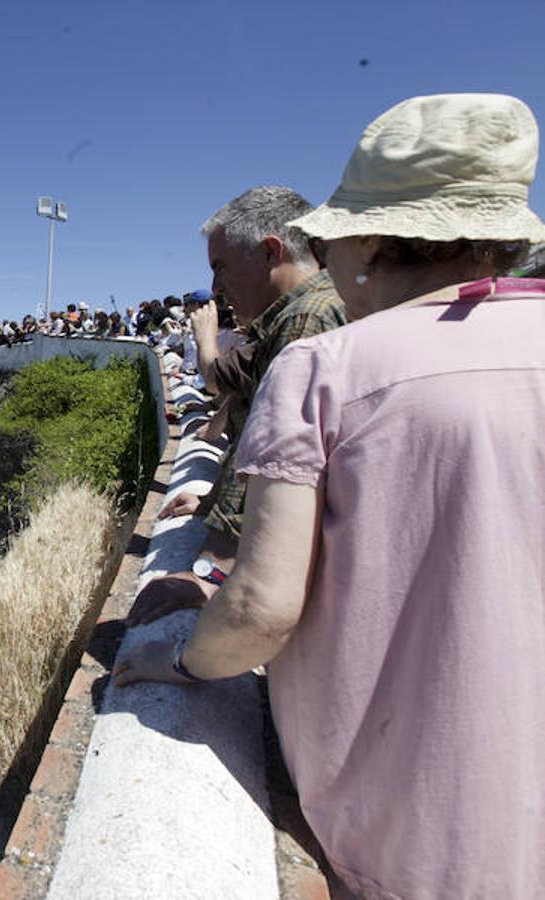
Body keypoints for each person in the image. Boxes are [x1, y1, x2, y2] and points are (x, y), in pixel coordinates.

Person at [114, 93, 545, 900]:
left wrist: (171, 656)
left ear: (372, 241)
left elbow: (262, 608)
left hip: (406, 830)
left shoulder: (326, 367)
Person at [128, 185, 347, 627]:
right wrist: (212, 502)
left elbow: (280, 453)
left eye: (221, 267)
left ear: (270, 252)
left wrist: (209, 571)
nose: (215, 287)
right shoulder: (303, 312)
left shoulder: (306, 318)